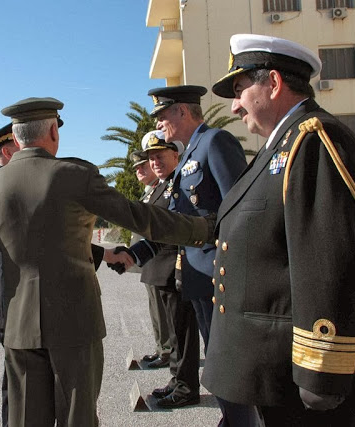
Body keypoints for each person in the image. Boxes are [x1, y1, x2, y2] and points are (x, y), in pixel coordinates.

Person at [0, 97, 214, 426]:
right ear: (53, 131)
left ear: (15, 138)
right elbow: (140, 217)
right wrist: (204, 229)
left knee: (25, 418)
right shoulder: (75, 175)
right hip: (75, 323)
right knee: (77, 417)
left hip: (18, 328)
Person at [203, 33, 355, 426]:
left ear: (273, 83)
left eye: (241, 88)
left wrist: (322, 368)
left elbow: (330, 259)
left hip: (300, 375)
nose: (234, 105)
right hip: (273, 368)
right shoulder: (280, 145)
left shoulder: (314, 140)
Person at [0, 121, 135, 427]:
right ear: (13, 149)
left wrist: (104, 253)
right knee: (27, 407)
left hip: (23, 316)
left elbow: (52, 238)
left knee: (33, 409)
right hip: (20, 315)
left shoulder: (2, 186)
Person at [125, 85, 247, 409]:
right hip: (197, 276)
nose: (159, 123)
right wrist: (134, 253)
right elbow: (176, 223)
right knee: (217, 357)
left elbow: (238, 211)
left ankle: (242, 417)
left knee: (230, 360)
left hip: (219, 275)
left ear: (181, 110)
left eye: (163, 115)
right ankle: (232, 416)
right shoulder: (189, 153)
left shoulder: (214, 142)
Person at [128, 148, 172, 367]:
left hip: (159, 259)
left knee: (162, 308)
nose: (139, 171)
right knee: (154, 307)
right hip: (149, 261)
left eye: (143, 166)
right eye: (136, 168)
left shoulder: (162, 189)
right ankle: (161, 346)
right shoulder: (149, 191)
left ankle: (167, 350)